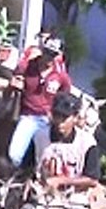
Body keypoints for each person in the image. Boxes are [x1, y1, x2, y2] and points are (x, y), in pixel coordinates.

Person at [33, 91, 101, 209]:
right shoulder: (40, 136)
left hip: (73, 202)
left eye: (65, 118)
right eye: (56, 116)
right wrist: (29, 181)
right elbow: (28, 167)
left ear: (76, 118)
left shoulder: (87, 144)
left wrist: (60, 180)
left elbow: (92, 179)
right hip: (42, 199)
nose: (59, 123)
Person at [7, 39, 72, 169]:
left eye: (53, 54)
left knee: (48, 158)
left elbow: (65, 99)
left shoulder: (61, 76)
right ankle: (17, 176)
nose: (49, 57)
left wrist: (55, 115)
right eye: (47, 52)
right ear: (42, 50)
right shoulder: (26, 66)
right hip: (28, 116)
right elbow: (10, 88)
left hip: (48, 121)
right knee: (14, 155)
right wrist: (13, 85)